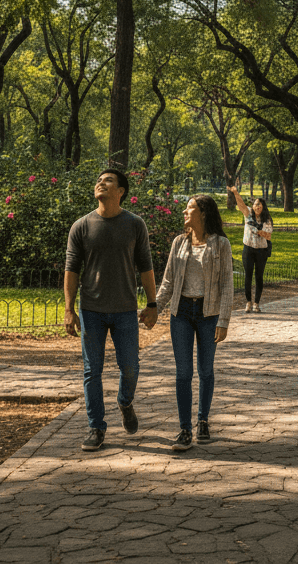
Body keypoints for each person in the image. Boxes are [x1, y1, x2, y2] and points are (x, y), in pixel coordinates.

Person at [64, 168, 157, 452]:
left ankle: (125, 402)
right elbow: (71, 269)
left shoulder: (135, 224)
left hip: (125, 310)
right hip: (91, 309)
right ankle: (96, 427)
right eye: (98, 180)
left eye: (108, 181)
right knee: (92, 370)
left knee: (130, 367)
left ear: (121, 191)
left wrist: (152, 304)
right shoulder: (81, 226)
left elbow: (146, 266)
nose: (100, 183)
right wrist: (69, 309)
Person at [155, 193, 234, 450]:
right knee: (183, 373)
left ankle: (203, 420)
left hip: (208, 314)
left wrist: (223, 320)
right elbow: (167, 283)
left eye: (189, 208)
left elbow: (227, 286)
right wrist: (154, 308)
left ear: (203, 213)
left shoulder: (221, 244)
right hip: (181, 314)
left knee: (206, 370)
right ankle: (185, 429)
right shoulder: (179, 242)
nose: (184, 212)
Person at [228, 185, 274, 313]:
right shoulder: (248, 214)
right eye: (256, 204)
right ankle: (248, 302)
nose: (257, 206)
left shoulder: (267, 219)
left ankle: (256, 303)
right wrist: (235, 192)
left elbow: (269, 235)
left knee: (259, 276)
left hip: (261, 250)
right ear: (253, 205)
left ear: (263, 207)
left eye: (260, 205)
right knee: (248, 275)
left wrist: (260, 232)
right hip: (248, 248)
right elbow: (241, 205)